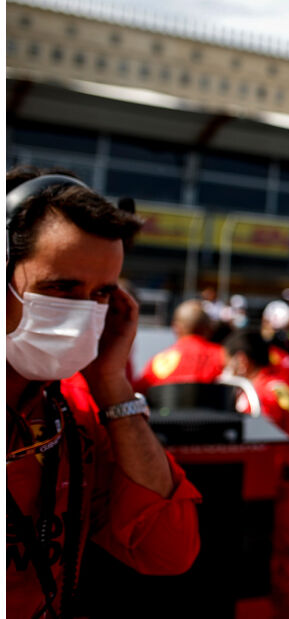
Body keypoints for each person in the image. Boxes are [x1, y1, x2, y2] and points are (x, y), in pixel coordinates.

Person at [6, 167, 201, 618]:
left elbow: (168, 550)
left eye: (101, 294)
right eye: (61, 288)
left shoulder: (75, 410)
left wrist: (113, 385)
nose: (81, 313)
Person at [223, 328, 289, 619]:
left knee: (269, 586)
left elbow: (256, 458)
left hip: (272, 504)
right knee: (280, 582)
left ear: (241, 361)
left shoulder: (255, 397)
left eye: (228, 361)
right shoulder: (286, 387)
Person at [132, 299, 225, 393]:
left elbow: (136, 393)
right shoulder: (223, 357)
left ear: (176, 328)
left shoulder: (158, 362)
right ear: (208, 329)